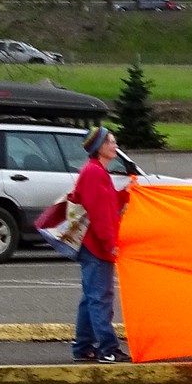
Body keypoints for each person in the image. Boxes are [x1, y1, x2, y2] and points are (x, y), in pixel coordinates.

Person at [72, 127, 129, 364]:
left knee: (91, 297)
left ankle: (83, 346)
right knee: (100, 297)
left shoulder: (97, 172)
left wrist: (125, 194)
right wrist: (110, 243)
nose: (115, 146)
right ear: (100, 148)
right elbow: (100, 213)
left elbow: (108, 202)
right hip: (96, 245)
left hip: (92, 244)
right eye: (112, 142)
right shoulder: (94, 173)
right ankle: (107, 348)